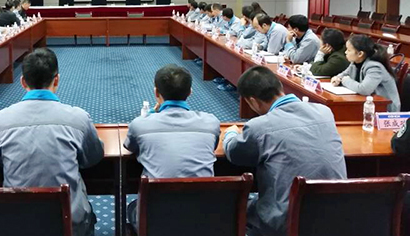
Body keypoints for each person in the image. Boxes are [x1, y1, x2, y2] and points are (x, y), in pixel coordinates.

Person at [0, 48, 104, 236]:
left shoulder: (0, 120)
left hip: (17, 223)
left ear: (22, 82)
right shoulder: (78, 118)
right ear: (56, 80)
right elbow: (94, 157)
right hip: (69, 224)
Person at [223, 66, 347, 236]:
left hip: (285, 223)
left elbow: (234, 154)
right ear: (280, 87)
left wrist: (230, 134)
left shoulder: (259, 126)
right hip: (335, 214)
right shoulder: (324, 112)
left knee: (236, 206)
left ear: (253, 101)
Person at [124, 64, 220, 231]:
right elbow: (213, 146)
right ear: (190, 92)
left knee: (133, 207)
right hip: (203, 219)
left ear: (156, 93)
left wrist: (151, 116)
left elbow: (129, 147)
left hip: (156, 221)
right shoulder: (210, 122)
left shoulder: (140, 125)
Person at [331, 35, 401, 112]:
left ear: (360, 54)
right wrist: (337, 78)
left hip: (386, 110)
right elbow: (343, 74)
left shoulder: (374, 67)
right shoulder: (355, 63)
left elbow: (364, 89)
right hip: (368, 104)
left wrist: (345, 80)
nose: (345, 52)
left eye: (348, 50)